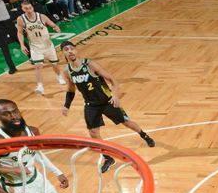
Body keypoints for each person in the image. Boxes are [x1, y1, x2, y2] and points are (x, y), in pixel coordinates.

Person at [60, 41, 155, 173]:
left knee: (126, 122)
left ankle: (144, 135)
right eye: (66, 49)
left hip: (106, 101)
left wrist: (115, 96)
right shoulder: (67, 71)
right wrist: (66, 106)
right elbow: (71, 90)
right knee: (93, 133)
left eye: (72, 48)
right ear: (63, 53)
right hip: (91, 105)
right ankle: (108, 157)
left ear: (76, 50)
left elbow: (113, 80)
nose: (70, 51)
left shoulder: (89, 64)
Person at [16, 0, 66, 95]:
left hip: (48, 45)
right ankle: (40, 85)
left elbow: (51, 24)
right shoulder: (21, 19)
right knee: (38, 66)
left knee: (54, 64)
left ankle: (59, 76)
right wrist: (22, 44)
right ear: (22, 9)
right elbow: (19, 32)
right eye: (26, 8)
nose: (29, 10)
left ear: (32, 7)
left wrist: (56, 27)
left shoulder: (41, 16)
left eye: (30, 7)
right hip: (35, 47)